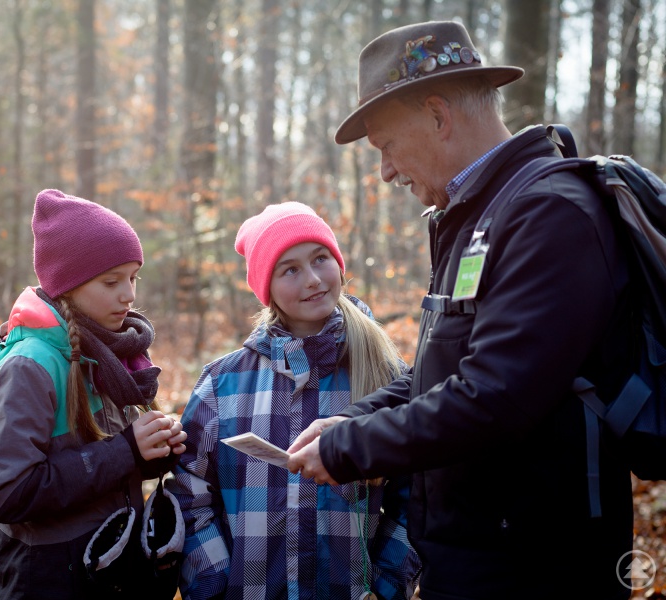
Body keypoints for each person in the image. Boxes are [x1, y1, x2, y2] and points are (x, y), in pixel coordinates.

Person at [287, 20, 635, 600]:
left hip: (537, 567)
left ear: (438, 116)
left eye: (386, 147)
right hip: (473, 554)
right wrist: (356, 418)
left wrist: (350, 449)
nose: (387, 172)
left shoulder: (548, 214)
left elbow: (495, 396)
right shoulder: (476, 216)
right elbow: (444, 370)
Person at [166, 201, 421, 600]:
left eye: (321, 259)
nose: (313, 280)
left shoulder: (387, 377)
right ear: (267, 289)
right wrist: (215, 583)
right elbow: (189, 491)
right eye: (290, 269)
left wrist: (387, 584)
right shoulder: (223, 386)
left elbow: (418, 496)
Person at [0, 189, 187, 599]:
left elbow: (100, 474)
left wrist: (153, 451)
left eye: (133, 277)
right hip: (50, 578)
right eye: (112, 281)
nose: (129, 294)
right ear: (69, 286)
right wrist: (125, 450)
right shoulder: (31, 366)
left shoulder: (107, 354)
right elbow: (8, 494)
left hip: (110, 571)